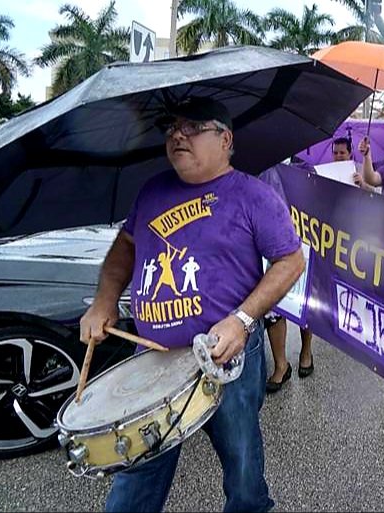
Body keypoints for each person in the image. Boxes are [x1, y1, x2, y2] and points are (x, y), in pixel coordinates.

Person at [79, 96, 304, 513]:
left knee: (242, 469)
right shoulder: (152, 191)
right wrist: (104, 301)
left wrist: (241, 320)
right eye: (171, 129)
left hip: (226, 359)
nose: (177, 135)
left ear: (225, 139)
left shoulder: (253, 194)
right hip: (153, 360)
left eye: (192, 127)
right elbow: (125, 247)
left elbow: (291, 260)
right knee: (138, 472)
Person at [265, 138, 362, 393]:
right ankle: (280, 364)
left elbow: (321, 203)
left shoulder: (305, 169)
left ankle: (306, 351)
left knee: (303, 302)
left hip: (302, 246)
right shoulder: (257, 170)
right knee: (272, 306)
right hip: (267, 248)